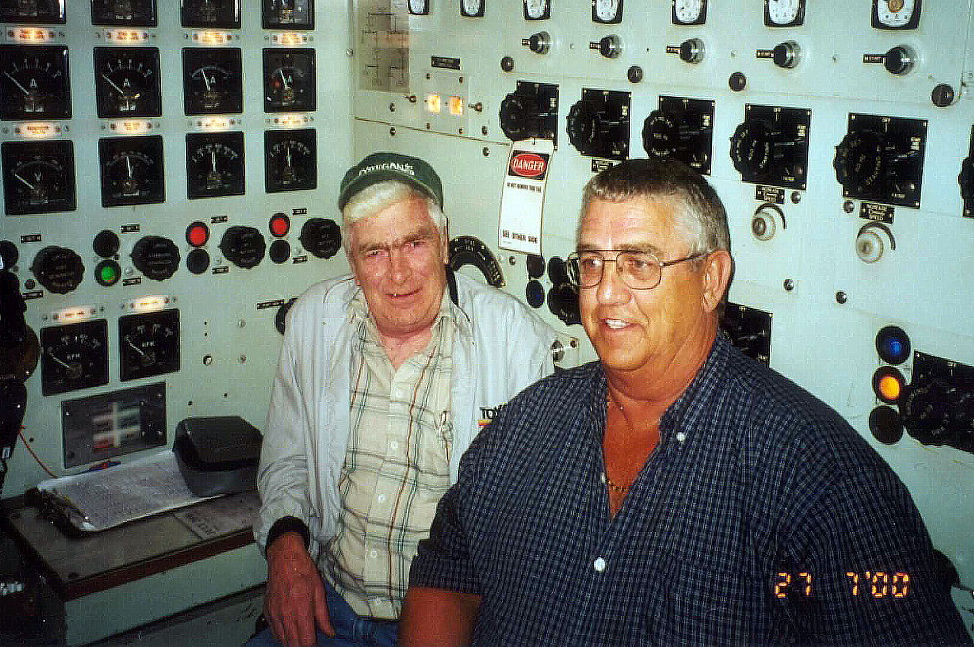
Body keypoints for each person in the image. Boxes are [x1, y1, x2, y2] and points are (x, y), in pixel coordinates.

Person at [400, 158, 972, 646]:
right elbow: (449, 568)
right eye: (592, 262)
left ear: (711, 279)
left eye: (639, 264)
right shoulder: (527, 422)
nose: (604, 292)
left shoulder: (820, 478)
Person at [249, 152, 557, 647]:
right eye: (374, 252)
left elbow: (535, 518)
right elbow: (288, 459)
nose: (397, 274)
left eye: (414, 243)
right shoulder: (313, 322)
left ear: (444, 243)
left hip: (450, 626)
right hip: (326, 607)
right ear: (352, 261)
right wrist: (285, 546)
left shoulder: (516, 341)